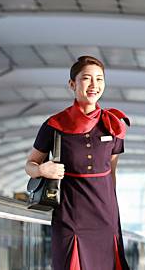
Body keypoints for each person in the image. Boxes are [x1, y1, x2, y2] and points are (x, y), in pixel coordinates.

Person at [25, 55, 130, 270]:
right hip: (70, 215)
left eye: (99, 79)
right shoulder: (55, 124)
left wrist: (113, 215)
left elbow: (112, 174)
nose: (94, 85)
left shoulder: (113, 125)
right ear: (72, 84)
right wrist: (43, 169)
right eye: (87, 79)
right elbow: (30, 164)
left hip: (105, 215)